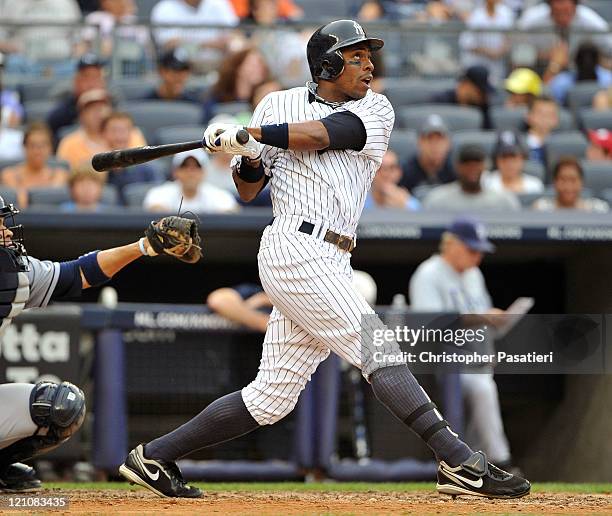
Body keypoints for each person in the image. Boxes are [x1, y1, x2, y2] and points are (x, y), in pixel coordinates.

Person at [119, 19, 530, 500]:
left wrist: (251, 132)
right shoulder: (277, 103)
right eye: (356, 57)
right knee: (380, 348)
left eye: (367, 56)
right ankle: (460, 462)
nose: (368, 64)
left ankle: (153, 457)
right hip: (293, 248)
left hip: (334, 257)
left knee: (270, 398)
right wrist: (247, 153)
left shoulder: (375, 108)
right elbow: (249, 187)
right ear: (328, 63)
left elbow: (326, 133)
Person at [0, 196, 200, 492]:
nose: (6, 232)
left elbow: (79, 273)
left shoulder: (16, 275)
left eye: (4, 223)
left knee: (60, 407)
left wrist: (144, 247)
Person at [409, 216, 518, 472]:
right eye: (471, 249)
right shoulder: (428, 273)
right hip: (438, 364)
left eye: (480, 251)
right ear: (451, 244)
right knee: (483, 389)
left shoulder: (473, 274)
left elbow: (481, 319)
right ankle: (502, 461)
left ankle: (476, 466)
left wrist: (495, 321)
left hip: (474, 359)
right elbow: (429, 326)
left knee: (484, 387)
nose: (477, 256)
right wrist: (482, 318)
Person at [518, 0, 612, 80]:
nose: (562, 17)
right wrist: (543, 56)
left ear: (575, 7)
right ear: (550, 6)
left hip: (582, 75)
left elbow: (609, 51)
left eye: (566, 11)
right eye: (557, 12)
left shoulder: (592, 23)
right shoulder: (530, 22)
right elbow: (517, 57)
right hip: (538, 72)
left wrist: (594, 59)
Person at [57, 89, 146, 170]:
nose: (98, 113)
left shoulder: (130, 133)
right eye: (91, 109)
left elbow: (140, 165)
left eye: (102, 107)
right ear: (81, 115)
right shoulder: (69, 142)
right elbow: (63, 172)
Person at [423, 144, 521, 211]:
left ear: (484, 166)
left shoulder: (504, 201)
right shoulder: (437, 200)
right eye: (467, 164)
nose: (472, 169)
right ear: (457, 166)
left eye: (477, 164)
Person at [143, 149, 238, 213]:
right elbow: (154, 208)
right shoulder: (159, 193)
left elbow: (231, 211)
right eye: (185, 166)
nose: (190, 172)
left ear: (204, 172)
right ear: (175, 172)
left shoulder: (219, 195)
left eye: (196, 167)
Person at [1, 122, 69, 208]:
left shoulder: (60, 175)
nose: (37, 151)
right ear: (24, 147)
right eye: (32, 145)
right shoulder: (9, 174)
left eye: (42, 146)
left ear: (50, 148)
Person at [101, 112, 161, 204]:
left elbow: (159, 196)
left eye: (123, 130)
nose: (119, 136)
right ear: (104, 133)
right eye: (114, 130)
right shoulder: (95, 166)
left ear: (131, 133)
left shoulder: (148, 169)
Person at [202, 47, 271, 123]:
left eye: (261, 65)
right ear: (239, 68)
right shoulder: (218, 95)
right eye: (254, 65)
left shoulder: (265, 94)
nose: (260, 69)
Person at [47, 54, 107, 141]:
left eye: (95, 77)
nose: (91, 83)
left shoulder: (112, 99)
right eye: (86, 77)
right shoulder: (64, 96)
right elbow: (52, 121)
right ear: (77, 80)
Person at [150, 0, 239, 55]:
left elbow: (235, 34)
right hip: (181, 68)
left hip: (219, 64)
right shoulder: (164, 8)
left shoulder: (219, 3)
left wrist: (187, 42)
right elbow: (169, 44)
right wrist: (208, 44)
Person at [459, 0, 515, 83]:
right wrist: (487, 51)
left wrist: (501, 51)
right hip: (477, 62)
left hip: (497, 64)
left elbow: (510, 37)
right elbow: (466, 42)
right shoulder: (476, 15)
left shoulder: (506, 13)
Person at [532, 156, 609, 212]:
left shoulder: (598, 209)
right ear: (554, 182)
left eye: (573, 180)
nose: (568, 187)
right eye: (563, 180)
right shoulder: (541, 208)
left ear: (581, 182)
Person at [399, 114, 455, 191]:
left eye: (440, 139)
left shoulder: (456, 170)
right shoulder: (404, 171)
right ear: (419, 142)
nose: (435, 145)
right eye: (429, 139)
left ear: (449, 144)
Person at [431, 65, 495, 130]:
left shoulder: (483, 106)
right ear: (465, 84)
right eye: (480, 91)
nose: (484, 96)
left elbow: (488, 132)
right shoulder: (440, 101)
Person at [549, 41, 612, 105]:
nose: (587, 61)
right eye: (583, 58)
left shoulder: (608, 79)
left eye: (591, 58)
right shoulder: (561, 82)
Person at [524, 95, 560, 166]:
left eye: (550, 114)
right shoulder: (520, 145)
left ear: (557, 119)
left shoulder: (563, 146)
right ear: (528, 116)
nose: (545, 118)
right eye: (540, 113)